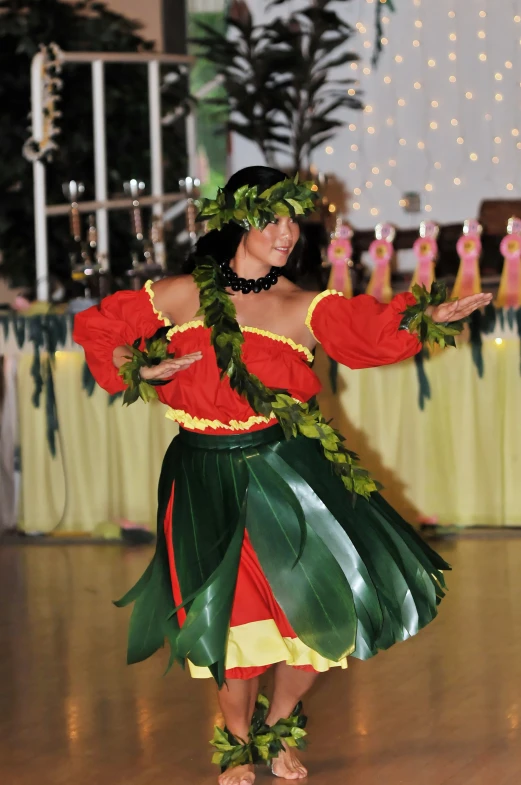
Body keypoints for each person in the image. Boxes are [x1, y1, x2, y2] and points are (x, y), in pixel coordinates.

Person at [74, 167, 492, 785]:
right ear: (238, 222)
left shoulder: (299, 306)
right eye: (273, 219)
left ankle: (280, 723)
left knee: (318, 616)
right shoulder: (182, 295)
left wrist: (427, 316)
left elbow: (369, 333)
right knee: (232, 619)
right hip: (203, 476)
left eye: (294, 220)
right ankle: (238, 744)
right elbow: (101, 327)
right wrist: (141, 364)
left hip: (286, 473)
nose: (288, 233)